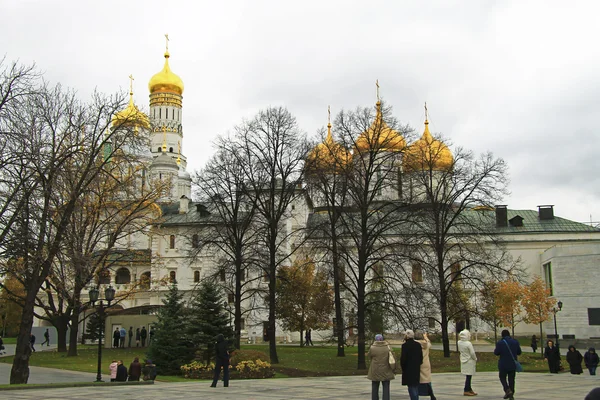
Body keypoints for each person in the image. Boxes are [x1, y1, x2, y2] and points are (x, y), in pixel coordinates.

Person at [494, 329, 522, 400]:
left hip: (503, 364)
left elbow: (496, 353)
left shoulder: (500, 343)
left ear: (502, 335)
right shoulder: (515, 342)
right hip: (512, 363)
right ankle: (511, 393)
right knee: (511, 379)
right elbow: (519, 352)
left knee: (502, 377)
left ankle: (507, 389)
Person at [367, 334, 395, 400]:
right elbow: (392, 356)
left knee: (374, 386)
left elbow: (369, 356)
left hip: (375, 369)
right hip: (386, 369)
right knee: (386, 386)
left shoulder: (372, 348)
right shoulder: (387, 347)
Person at [400, 329, 423, 400]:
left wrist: (403, 367)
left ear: (407, 336)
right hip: (416, 368)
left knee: (411, 387)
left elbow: (403, 359)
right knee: (415, 386)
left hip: (408, 369)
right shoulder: (418, 345)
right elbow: (421, 357)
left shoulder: (405, 346)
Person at [415, 331, 436, 400]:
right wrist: (426, 337)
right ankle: (431, 394)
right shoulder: (426, 344)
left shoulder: (414, 344)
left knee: (416, 380)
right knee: (427, 380)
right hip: (425, 363)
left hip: (417, 363)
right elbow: (429, 343)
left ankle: (416, 394)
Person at [458, 329, 477, 397]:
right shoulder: (468, 343)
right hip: (469, 360)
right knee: (469, 376)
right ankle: (466, 390)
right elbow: (472, 353)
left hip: (463, 360)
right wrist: (475, 358)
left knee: (468, 376)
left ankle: (469, 389)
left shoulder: (459, 342)